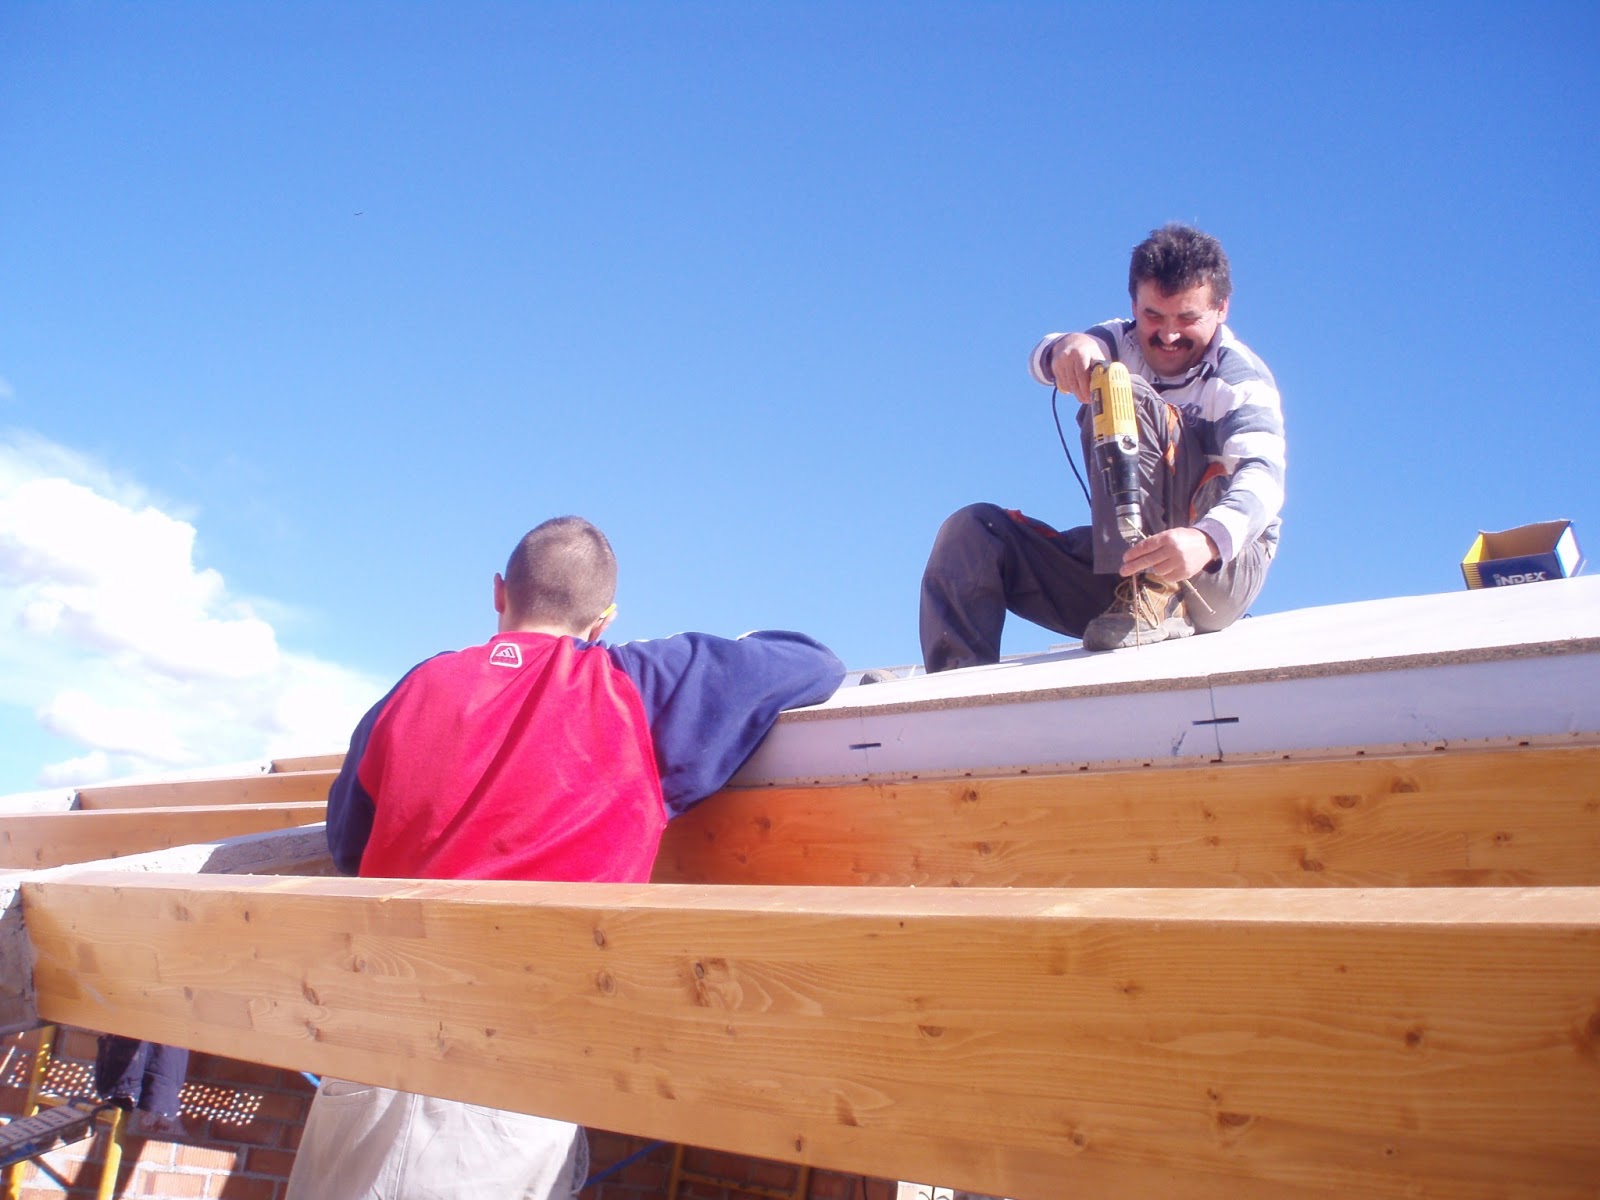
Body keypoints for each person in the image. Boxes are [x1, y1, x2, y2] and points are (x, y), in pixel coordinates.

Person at [286, 516, 844, 1200]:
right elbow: (812, 663)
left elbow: (349, 845)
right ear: (604, 619)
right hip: (510, 1071)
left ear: (499, 592)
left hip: (365, 1041)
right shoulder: (636, 685)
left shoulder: (415, 688)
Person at [919, 223, 1285, 669]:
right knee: (972, 532)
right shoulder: (1120, 340)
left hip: (1215, 571)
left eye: (1187, 319)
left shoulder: (1239, 378)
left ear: (1222, 309)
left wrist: (1207, 541)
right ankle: (956, 692)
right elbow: (1046, 356)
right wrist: (1067, 349)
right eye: (1154, 317)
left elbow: (1264, 477)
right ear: (1134, 305)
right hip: (1124, 572)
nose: (1168, 336)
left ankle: (1161, 597)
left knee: (1121, 391)